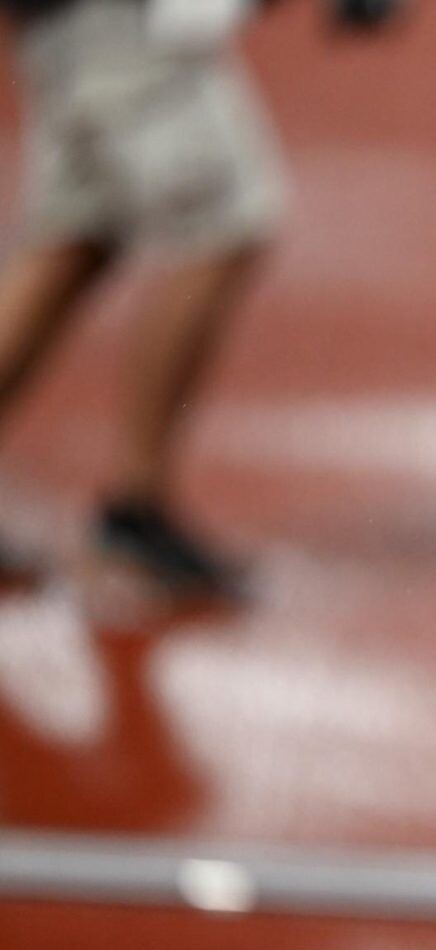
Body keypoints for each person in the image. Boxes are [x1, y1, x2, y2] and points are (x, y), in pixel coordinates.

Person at [0, 0, 396, 600]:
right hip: (126, 24)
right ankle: (136, 509)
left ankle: (136, 511)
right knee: (218, 226)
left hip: (67, 23)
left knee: (79, 233)